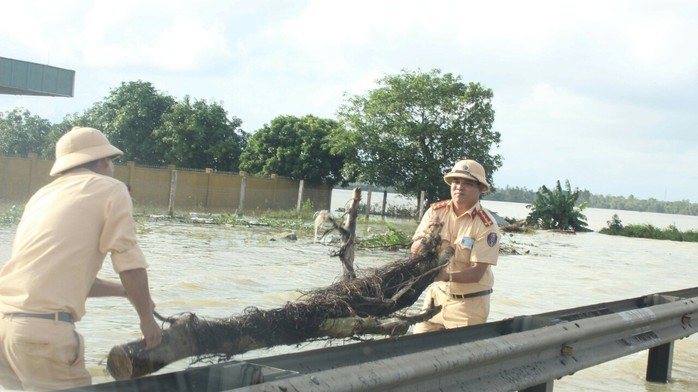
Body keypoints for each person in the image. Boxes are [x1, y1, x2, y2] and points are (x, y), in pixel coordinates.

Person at [0, 127, 162, 390]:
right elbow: (129, 263)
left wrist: (125, 292)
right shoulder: (112, 188)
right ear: (104, 161)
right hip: (43, 336)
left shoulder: (42, 196)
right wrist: (147, 320)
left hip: (5, 330)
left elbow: (54, 277)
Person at [411, 159, 500, 333]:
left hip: (468, 306)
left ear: (480, 189)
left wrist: (443, 275)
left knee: (461, 356)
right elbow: (415, 253)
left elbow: (477, 271)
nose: (459, 187)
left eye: (467, 183)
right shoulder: (435, 212)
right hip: (435, 299)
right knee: (414, 351)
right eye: (456, 182)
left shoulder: (487, 224)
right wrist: (429, 236)